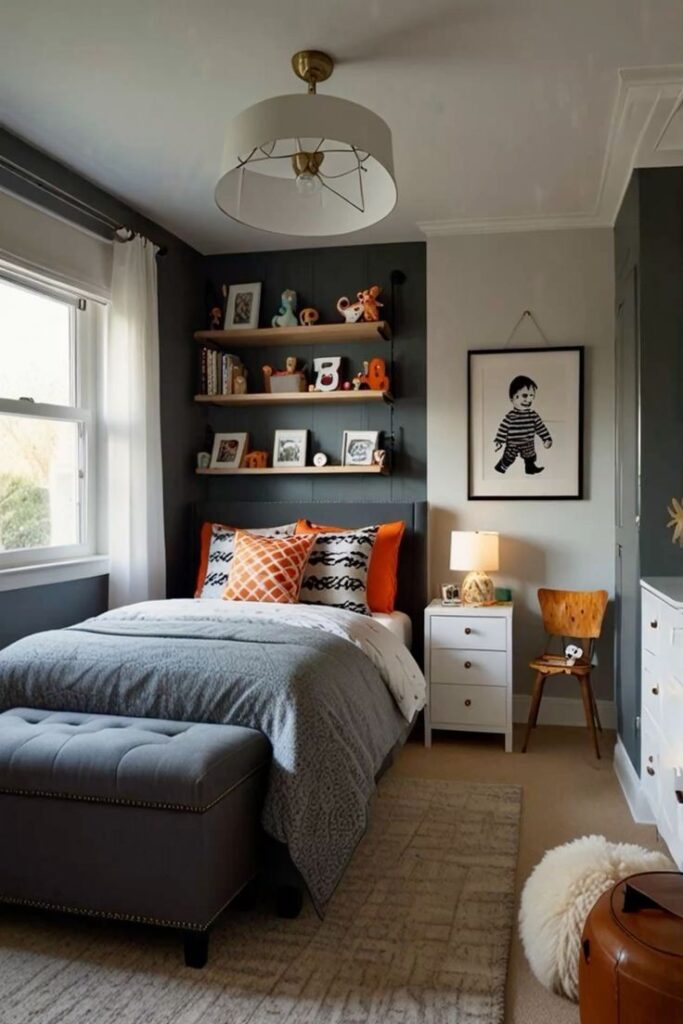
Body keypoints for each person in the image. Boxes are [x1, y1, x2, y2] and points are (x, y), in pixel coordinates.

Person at [494, 375, 552, 475]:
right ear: (512, 398)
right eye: (524, 396)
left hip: (528, 443)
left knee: (530, 456)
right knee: (509, 457)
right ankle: (501, 467)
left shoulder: (533, 415)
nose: (528, 400)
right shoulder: (510, 416)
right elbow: (503, 428)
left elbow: (541, 427)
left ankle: (530, 468)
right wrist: (499, 441)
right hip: (513, 443)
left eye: (531, 396)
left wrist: (546, 438)